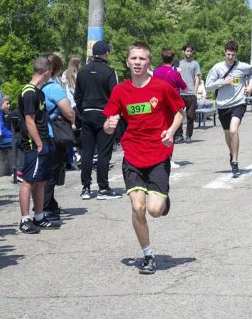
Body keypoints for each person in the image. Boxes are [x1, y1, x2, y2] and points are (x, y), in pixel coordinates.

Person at [102, 41, 185, 274]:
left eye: (142, 59)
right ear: (128, 62)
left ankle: (163, 201)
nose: (137, 62)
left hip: (158, 154)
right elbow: (108, 124)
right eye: (133, 58)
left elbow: (180, 111)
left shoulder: (161, 87)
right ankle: (148, 256)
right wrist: (109, 125)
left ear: (149, 63)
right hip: (133, 156)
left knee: (155, 210)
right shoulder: (120, 91)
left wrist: (171, 131)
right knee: (138, 208)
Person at [16, 57, 62, 234]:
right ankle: (25, 219)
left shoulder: (39, 92)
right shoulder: (29, 92)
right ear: (47, 72)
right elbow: (29, 121)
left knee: (41, 180)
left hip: (44, 141)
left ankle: (39, 216)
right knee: (29, 180)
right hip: (34, 144)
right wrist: (39, 143)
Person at [75, 41, 120, 200]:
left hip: (87, 114)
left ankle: (86, 188)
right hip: (104, 115)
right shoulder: (110, 71)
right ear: (106, 53)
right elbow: (116, 96)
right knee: (104, 152)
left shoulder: (82, 71)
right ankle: (103, 188)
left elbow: (77, 96)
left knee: (87, 152)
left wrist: (81, 115)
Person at [205, 40, 252, 177]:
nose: (230, 57)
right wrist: (223, 82)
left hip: (239, 102)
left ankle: (235, 161)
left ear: (236, 54)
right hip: (223, 105)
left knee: (234, 130)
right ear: (224, 52)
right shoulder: (217, 68)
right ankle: (232, 152)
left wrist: (251, 85)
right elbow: (208, 86)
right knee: (228, 134)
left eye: (233, 54)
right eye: (228, 54)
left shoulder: (242, 66)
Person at [42, 54, 76, 220]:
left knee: (48, 169)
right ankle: (45, 206)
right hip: (54, 133)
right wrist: (73, 119)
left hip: (43, 132)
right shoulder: (54, 86)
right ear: (57, 68)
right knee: (52, 171)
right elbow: (68, 110)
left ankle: (50, 203)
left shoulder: (39, 85)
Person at [153, 48, 187, 145]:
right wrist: (180, 74)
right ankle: (169, 156)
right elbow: (185, 88)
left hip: (160, 103)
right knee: (171, 131)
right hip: (173, 104)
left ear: (162, 58)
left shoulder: (156, 72)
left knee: (162, 129)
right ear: (173, 59)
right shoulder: (175, 74)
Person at [178, 44, 202, 143]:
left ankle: (188, 135)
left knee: (190, 116)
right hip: (180, 93)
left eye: (190, 51)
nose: (189, 53)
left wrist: (195, 92)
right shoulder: (179, 63)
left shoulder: (195, 64)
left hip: (191, 93)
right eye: (187, 51)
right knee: (178, 115)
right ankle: (179, 136)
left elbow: (197, 78)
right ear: (183, 52)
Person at [61, 55, 80, 169]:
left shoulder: (64, 74)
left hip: (67, 105)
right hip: (76, 105)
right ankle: (76, 154)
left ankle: (70, 156)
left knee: (70, 131)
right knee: (77, 132)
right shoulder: (78, 75)